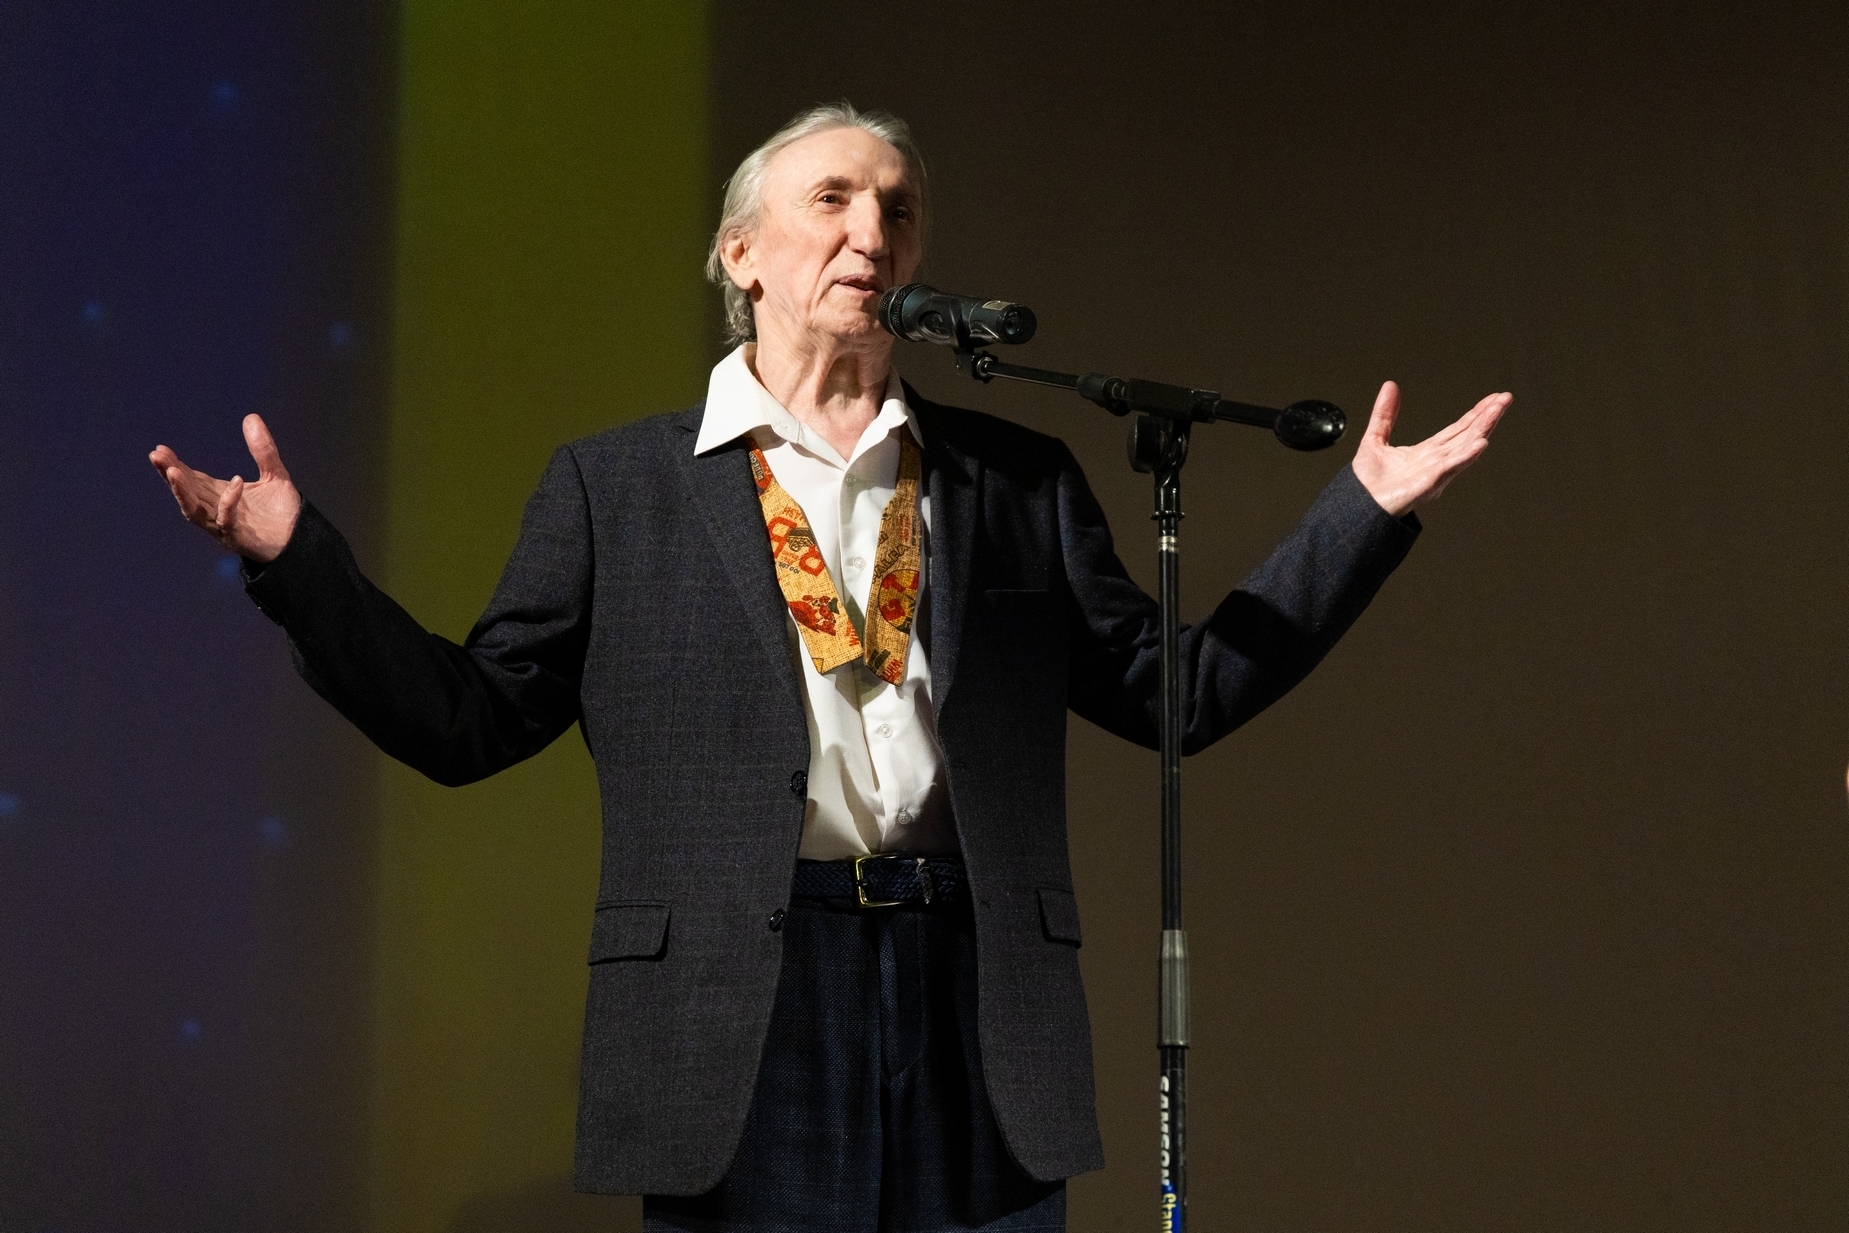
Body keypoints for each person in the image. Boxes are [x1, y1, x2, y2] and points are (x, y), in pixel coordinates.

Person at [149, 104, 1508, 1232]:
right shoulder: (617, 489)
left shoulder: (1012, 480)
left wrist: (1360, 516)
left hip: (973, 991)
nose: (874, 230)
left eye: (899, 209)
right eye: (834, 199)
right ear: (739, 252)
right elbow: (468, 719)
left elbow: (1179, 693)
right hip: (746, 999)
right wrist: (296, 562)